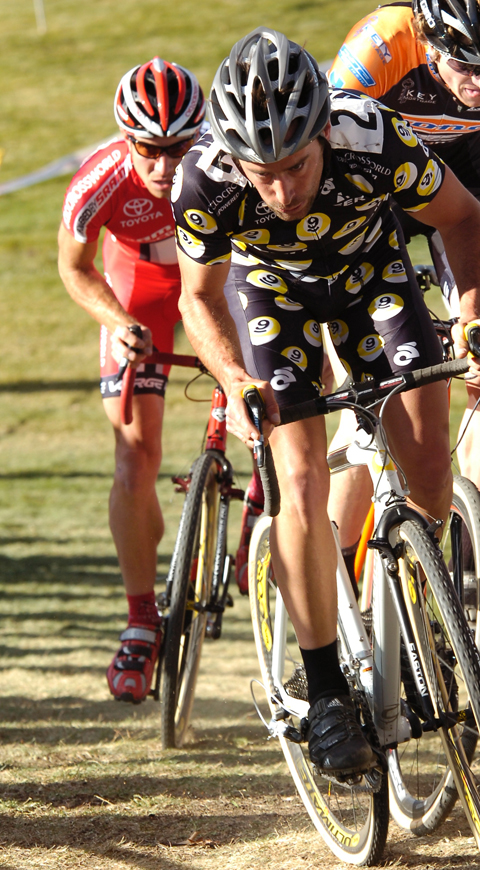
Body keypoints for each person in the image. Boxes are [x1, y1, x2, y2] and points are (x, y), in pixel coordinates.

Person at [172, 28, 480, 776]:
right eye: (263, 176)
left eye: (295, 166)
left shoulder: (369, 135)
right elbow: (198, 298)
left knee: (425, 464)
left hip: (373, 279)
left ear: (324, 132)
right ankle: (324, 690)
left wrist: (477, 310)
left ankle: (427, 627)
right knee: (299, 481)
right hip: (270, 299)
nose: (282, 192)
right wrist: (233, 380)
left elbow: (466, 219)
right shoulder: (203, 180)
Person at [327, 0, 480, 562]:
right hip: (370, 181)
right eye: (464, 65)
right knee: (370, 402)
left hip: (461, 173)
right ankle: (337, 585)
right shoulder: (382, 45)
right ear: (429, 41)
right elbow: (324, 162)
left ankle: (463, 565)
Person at [58, 57, 206, 703]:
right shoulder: (100, 181)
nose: (166, 165)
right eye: (150, 149)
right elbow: (75, 267)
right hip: (138, 291)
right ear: (127, 139)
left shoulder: (224, 163)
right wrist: (117, 322)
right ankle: (140, 619)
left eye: (179, 148)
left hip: (213, 287)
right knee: (135, 456)